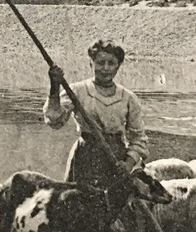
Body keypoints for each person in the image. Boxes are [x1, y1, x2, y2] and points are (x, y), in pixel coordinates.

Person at [44, 39, 148, 191]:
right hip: (85, 158)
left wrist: (128, 164)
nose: (105, 68)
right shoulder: (77, 91)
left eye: (111, 63)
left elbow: (138, 139)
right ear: (91, 63)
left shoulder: (128, 98)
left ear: (118, 66)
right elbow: (54, 120)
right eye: (100, 62)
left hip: (115, 161)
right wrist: (54, 87)